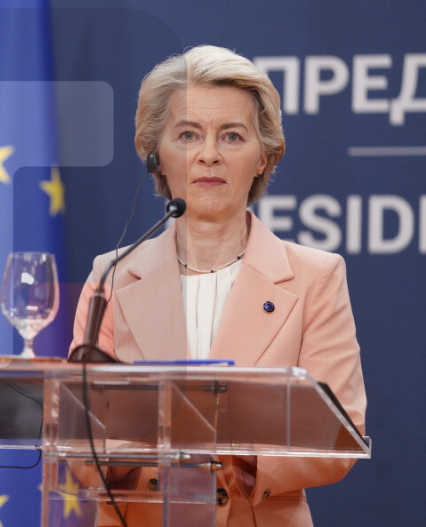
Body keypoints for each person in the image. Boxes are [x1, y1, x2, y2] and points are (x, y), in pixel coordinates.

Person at [69, 45, 366, 526]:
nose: (208, 155)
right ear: (156, 157)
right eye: (188, 135)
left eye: (232, 136)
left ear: (263, 157)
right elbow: (78, 433)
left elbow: (339, 433)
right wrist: (157, 460)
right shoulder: (112, 277)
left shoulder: (316, 277)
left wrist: (231, 456)